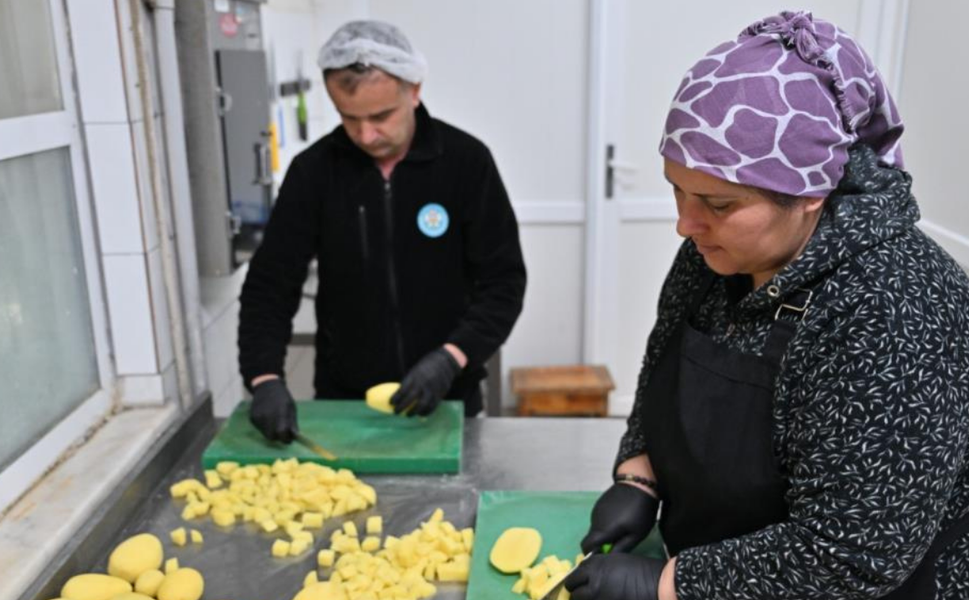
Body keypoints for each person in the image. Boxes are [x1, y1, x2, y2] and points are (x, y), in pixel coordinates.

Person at [566, 11, 969, 600]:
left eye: (718, 203)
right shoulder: (714, 253)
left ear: (809, 196)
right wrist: (639, 472)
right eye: (677, 189)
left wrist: (669, 583)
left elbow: (855, 554)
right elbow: (662, 365)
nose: (686, 224)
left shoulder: (898, 308)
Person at [238, 20, 526, 442]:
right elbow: (270, 285)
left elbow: (503, 283)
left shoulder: (466, 163)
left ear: (414, 90)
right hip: (345, 404)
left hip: (449, 398)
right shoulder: (314, 173)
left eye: (381, 116)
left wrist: (452, 357)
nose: (366, 135)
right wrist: (264, 377)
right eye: (349, 118)